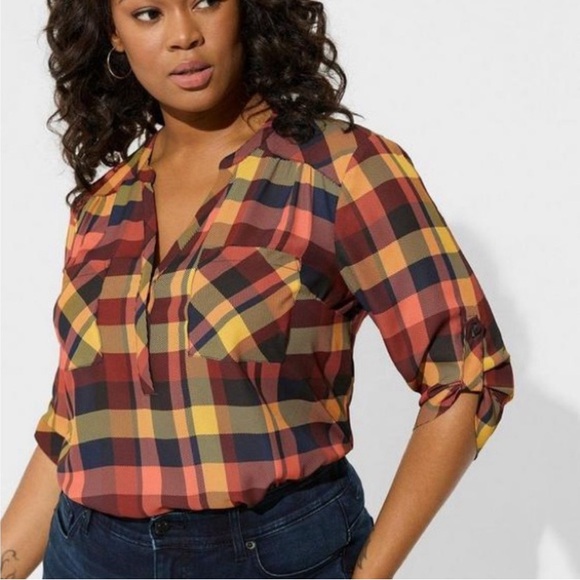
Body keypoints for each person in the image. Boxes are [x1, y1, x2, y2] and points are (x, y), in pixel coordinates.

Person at [0, 0, 515, 578]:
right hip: (86, 554)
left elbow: (465, 374)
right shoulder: (102, 207)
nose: (184, 36)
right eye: (148, 13)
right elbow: (73, 424)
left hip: (268, 559)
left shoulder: (341, 170)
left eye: (205, 2)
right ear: (112, 34)